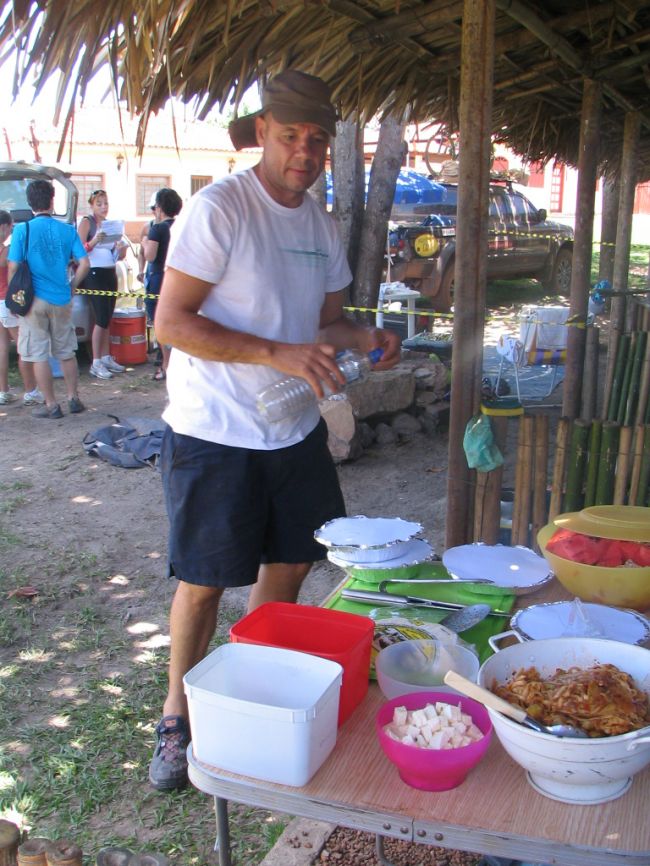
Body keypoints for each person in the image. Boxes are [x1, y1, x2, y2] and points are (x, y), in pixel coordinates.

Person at [148, 68, 401, 791]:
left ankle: (249, 679)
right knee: (204, 578)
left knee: (292, 561)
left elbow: (324, 323)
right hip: (214, 429)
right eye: (290, 136)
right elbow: (171, 322)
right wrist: (273, 351)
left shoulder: (321, 226)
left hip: (292, 429)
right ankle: (175, 716)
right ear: (262, 133)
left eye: (317, 139)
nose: (304, 150)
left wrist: (363, 336)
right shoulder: (220, 209)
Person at [7, 180, 90, 418]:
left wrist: (16, 300)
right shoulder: (67, 230)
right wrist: (72, 286)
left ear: (30, 203)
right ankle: (74, 399)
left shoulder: (22, 230)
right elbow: (84, 264)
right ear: (52, 200)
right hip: (62, 299)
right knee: (67, 351)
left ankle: (52, 405)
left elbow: (13, 268)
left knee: (37, 354)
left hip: (33, 301)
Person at [77, 189, 128, 379]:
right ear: (91, 205)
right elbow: (78, 250)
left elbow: (116, 253)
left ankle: (106, 357)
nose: (103, 207)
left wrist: (120, 250)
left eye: (106, 203)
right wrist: (93, 241)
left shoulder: (109, 225)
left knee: (107, 317)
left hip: (109, 271)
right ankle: (95, 361)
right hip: (94, 273)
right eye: (99, 204)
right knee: (99, 318)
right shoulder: (86, 222)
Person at [140, 188, 183, 381]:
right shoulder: (181, 225)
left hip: (158, 278)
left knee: (161, 324)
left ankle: (166, 365)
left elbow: (150, 255)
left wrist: (143, 242)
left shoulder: (158, 229)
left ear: (159, 207)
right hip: (177, 277)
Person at [0, 210, 42, 405]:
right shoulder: (6, 251)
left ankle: (3, 391)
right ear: (5, 227)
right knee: (23, 347)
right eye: (10, 226)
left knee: (2, 348)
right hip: (7, 302)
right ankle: (30, 391)